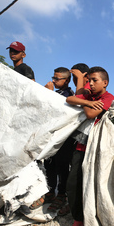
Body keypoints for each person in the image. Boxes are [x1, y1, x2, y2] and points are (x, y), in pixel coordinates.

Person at [65, 66, 114, 226]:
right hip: (80, 148)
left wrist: (86, 102)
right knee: (74, 185)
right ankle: (78, 220)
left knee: (92, 187)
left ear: (105, 83)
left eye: (95, 80)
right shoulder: (88, 97)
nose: (90, 83)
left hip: (97, 150)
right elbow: (70, 98)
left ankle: (90, 223)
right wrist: (86, 100)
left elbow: (90, 114)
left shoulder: (108, 97)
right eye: (89, 80)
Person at [30, 67, 75, 213]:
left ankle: (61, 194)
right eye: (53, 78)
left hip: (63, 139)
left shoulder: (69, 94)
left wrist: (47, 94)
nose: (54, 81)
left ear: (66, 80)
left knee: (62, 166)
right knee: (49, 164)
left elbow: (60, 110)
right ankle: (50, 191)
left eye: (57, 79)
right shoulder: (57, 93)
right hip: (51, 137)